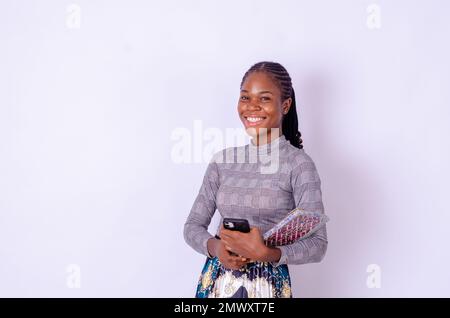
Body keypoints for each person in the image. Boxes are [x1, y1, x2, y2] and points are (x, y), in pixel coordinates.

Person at [183, 61, 328, 298]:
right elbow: (192, 227)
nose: (252, 107)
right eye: (245, 97)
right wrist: (216, 247)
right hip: (216, 284)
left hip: (268, 287)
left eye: (264, 98)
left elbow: (318, 244)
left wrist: (268, 254)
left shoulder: (299, 165)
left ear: (286, 105)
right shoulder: (223, 162)